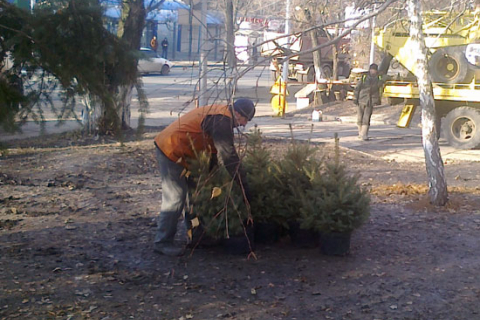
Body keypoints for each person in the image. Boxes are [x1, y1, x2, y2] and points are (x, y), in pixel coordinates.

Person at [153, 99, 256, 256]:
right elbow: (228, 156)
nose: (243, 125)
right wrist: (242, 184)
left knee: (196, 195)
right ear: (237, 113)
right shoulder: (221, 120)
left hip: (189, 156)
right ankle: (162, 242)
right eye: (244, 120)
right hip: (171, 150)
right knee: (176, 197)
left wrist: (211, 177)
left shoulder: (221, 117)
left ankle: (196, 236)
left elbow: (214, 152)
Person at [353, 63, 384, 141]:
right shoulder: (364, 77)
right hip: (361, 99)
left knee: (366, 118)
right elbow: (357, 88)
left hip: (370, 101)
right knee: (359, 118)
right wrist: (355, 98)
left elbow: (378, 88)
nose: (373, 71)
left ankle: (364, 134)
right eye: (372, 69)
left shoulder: (378, 79)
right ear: (370, 70)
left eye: (375, 70)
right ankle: (360, 133)